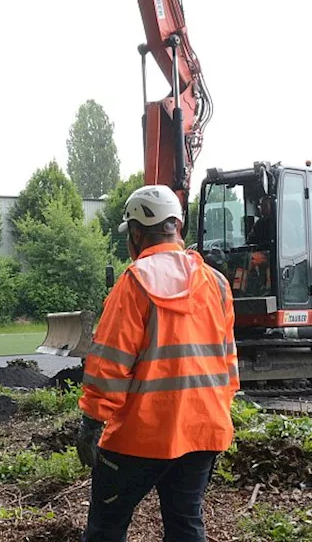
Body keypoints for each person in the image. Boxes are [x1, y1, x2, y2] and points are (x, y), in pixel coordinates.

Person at [76, 184, 239, 542]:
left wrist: (91, 421)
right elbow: (228, 364)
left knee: (106, 528)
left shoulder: (135, 282)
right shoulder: (218, 284)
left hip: (140, 436)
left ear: (136, 233)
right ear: (177, 228)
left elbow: (110, 364)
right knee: (185, 526)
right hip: (203, 431)